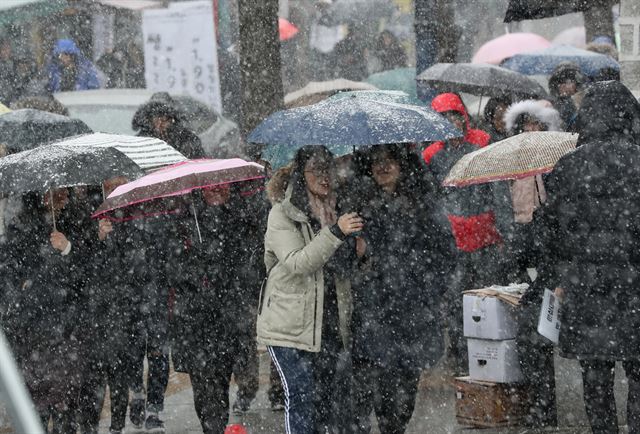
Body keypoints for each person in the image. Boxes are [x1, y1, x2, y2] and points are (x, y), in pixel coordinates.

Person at [533, 80, 640, 434]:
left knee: (595, 377)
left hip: (586, 290)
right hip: (634, 290)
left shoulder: (567, 167)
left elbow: (550, 237)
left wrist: (553, 280)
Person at [257, 146, 362, 433]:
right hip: (290, 328)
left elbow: (343, 270)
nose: (324, 176)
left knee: (326, 403)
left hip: (327, 325)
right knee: (301, 398)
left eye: (328, 168)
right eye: (315, 169)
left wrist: (358, 249)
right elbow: (299, 263)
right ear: (301, 175)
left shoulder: (338, 211)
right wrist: (336, 233)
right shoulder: (283, 214)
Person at [350, 145, 453, 433]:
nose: (383, 167)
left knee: (403, 393)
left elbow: (445, 253)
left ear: (402, 165)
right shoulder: (357, 204)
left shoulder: (423, 203)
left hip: (412, 310)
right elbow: (345, 256)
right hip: (371, 309)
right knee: (372, 388)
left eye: (390, 161)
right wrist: (357, 253)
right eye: (376, 163)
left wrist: (427, 288)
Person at [424, 93, 503, 375]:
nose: (451, 123)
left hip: (486, 235)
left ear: (464, 117)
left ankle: (489, 353)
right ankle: (460, 356)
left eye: (455, 116)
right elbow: (430, 197)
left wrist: (502, 229)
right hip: (453, 237)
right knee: (457, 302)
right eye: (444, 118)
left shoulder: (482, 142)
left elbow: (496, 187)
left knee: (487, 298)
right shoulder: (431, 154)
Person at [1, 188, 90, 432]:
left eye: (63, 194)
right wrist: (24, 289)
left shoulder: (74, 221)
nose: (60, 199)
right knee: (39, 404)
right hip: (34, 333)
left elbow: (84, 274)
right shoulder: (20, 230)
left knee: (66, 403)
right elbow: (9, 274)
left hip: (65, 332)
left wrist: (66, 248)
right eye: (54, 194)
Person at [132, 99, 206, 159]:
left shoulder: (187, 139)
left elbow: (199, 161)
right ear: (149, 122)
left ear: (171, 120)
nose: (160, 125)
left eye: (164, 120)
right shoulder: (141, 141)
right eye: (156, 121)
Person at [548, 61, 585, 131]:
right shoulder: (551, 102)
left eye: (569, 82)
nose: (564, 86)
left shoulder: (584, 100)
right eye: (560, 82)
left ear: (576, 83)